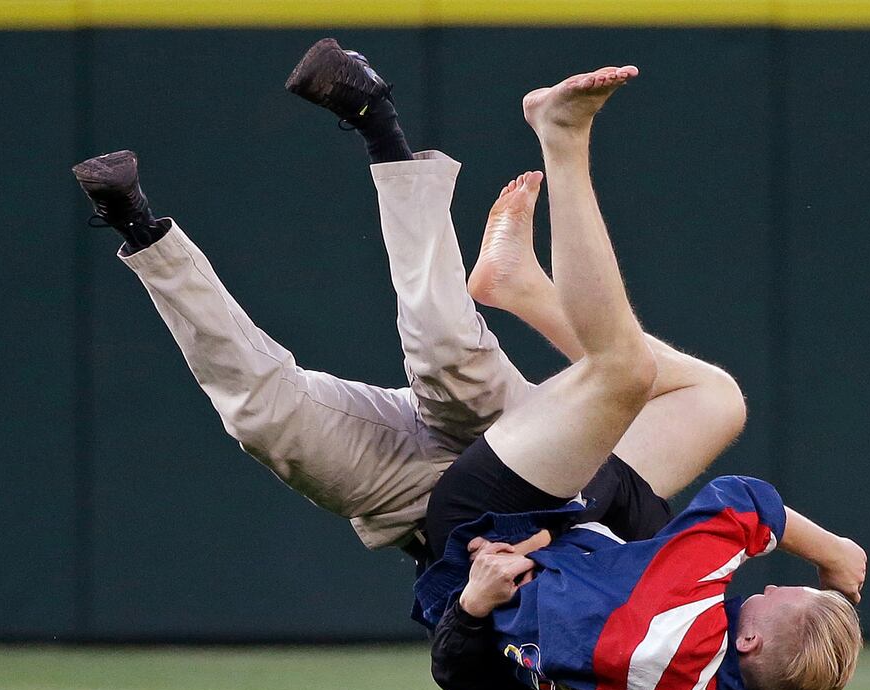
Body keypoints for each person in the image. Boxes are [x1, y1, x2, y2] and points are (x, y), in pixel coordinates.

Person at [69, 38, 746, 567]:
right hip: (530, 457)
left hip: (422, 511)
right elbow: (725, 493)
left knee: (263, 420)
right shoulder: (649, 528)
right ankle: (379, 126)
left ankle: (140, 226)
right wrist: (824, 549)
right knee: (451, 352)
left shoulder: (614, 625)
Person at [411, 66, 866, 690]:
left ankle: (562, 139)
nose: (773, 588)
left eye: (784, 597)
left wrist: (834, 556)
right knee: (715, 400)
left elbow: (746, 503)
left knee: (625, 370)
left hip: (490, 525)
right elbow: (772, 684)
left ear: (749, 636)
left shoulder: (689, 596)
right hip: (568, 553)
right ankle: (517, 286)